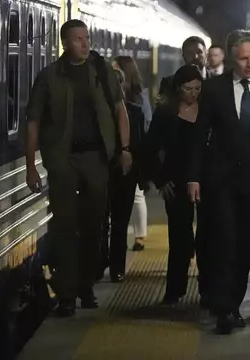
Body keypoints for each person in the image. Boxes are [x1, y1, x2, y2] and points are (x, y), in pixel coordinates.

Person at [25, 19, 132, 317]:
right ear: (65, 43)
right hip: (62, 160)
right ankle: (68, 294)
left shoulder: (102, 72)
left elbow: (119, 110)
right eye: (78, 39)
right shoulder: (49, 77)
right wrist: (30, 166)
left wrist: (124, 149)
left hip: (96, 158)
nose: (86, 44)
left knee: (94, 225)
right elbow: (33, 121)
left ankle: (85, 286)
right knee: (64, 227)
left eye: (87, 38)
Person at [188, 29, 250, 335]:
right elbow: (198, 136)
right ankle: (226, 309)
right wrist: (193, 177)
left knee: (245, 243)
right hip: (220, 179)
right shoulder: (215, 89)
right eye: (244, 58)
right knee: (224, 241)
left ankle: (232, 301)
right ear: (233, 57)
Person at [144, 65, 203, 304]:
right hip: (175, 181)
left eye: (198, 88)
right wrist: (159, 180)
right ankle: (175, 288)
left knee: (208, 236)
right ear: (178, 88)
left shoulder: (208, 110)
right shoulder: (165, 113)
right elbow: (148, 148)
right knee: (179, 236)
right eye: (189, 89)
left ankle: (207, 287)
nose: (193, 93)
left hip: (205, 179)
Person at [99, 64, 147, 283]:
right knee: (101, 222)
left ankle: (117, 267)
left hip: (126, 175)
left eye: (119, 84)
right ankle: (100, 263)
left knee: (119, 222)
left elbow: (141, 145)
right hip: (102, 171)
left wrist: (142, 177)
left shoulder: (135, 112)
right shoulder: (97, 114)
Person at [112, 55, 151, 250]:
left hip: (134, 152)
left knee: (137, 195)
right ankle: (138, 235)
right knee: (135, 197)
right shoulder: (132, 95)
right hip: (126, 152)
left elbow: (146, 123)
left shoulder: (138, 97)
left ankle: (140, 235)